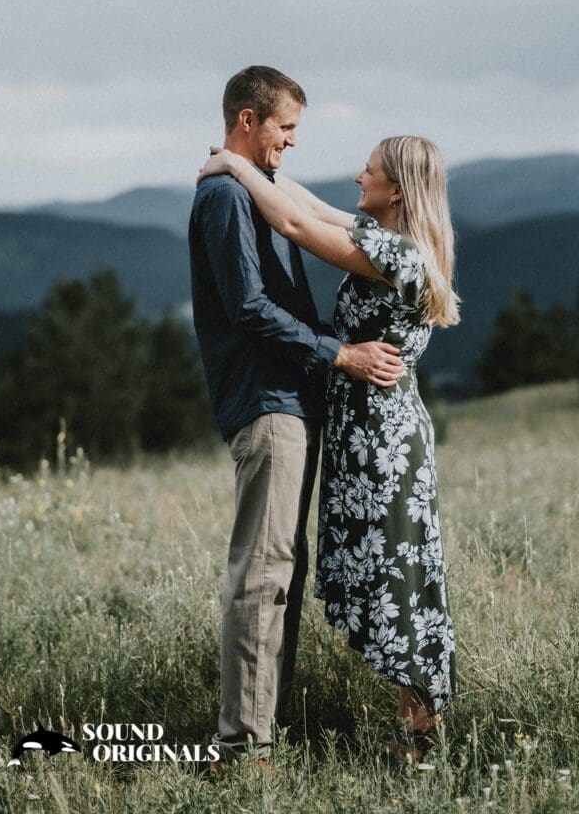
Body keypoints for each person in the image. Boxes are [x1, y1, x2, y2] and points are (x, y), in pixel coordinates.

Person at [197, 133, 461, 761]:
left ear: (397, 191)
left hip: (383, 439)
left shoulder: (398, 252)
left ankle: (417, 732)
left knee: (398, 572)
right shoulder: (387, 237)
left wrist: (233, 165)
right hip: (367, 430)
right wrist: (248, 165)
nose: (357, 178)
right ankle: (413, 726)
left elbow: (293, 223)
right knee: (394, 568)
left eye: (368, 171)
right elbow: (310, 205)